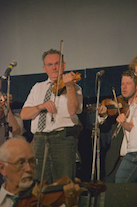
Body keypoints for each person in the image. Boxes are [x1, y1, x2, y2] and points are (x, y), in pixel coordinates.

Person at [20, 49, 83, 184]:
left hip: (63, 139)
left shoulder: (74, 87)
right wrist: (41, 106)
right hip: (39, 140)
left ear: (64, 66)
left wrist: (70, 86)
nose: (54, 67)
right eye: (50, 64)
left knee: (64, 183)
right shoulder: (37, 87)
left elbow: (73, 110)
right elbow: (24, 114)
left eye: (57, 64)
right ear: (44, 68)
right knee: (40, 183)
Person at [0, 137, 82, 207]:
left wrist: (72, 203)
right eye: (21, 163)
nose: (29, 169)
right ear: (2, 168)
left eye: (32, 161)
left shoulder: (44, 199)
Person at [114, 70, 137, 183]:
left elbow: (133, 127)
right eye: (122, 83)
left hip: (134, 153)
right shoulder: (129, 107)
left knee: (121, 185)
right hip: (129, 153)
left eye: (128, 83)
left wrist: (124, 123)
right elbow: (132, 127)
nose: (124, 86)